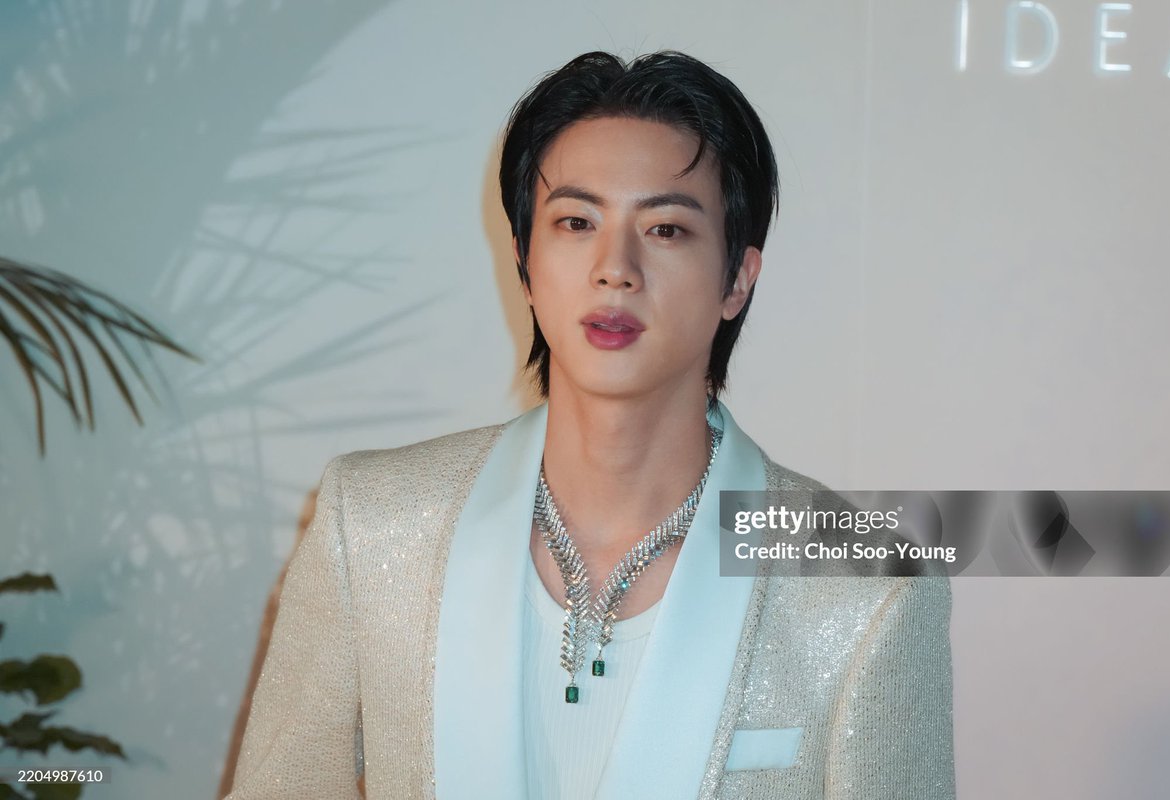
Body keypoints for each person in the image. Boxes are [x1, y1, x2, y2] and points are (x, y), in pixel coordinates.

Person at [224, 50, 956, 799]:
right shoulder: (371, 524)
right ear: (525, 261)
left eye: (666, 229)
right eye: (576, 222)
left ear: (737, 279)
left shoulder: (868, 584)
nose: (615, 268)